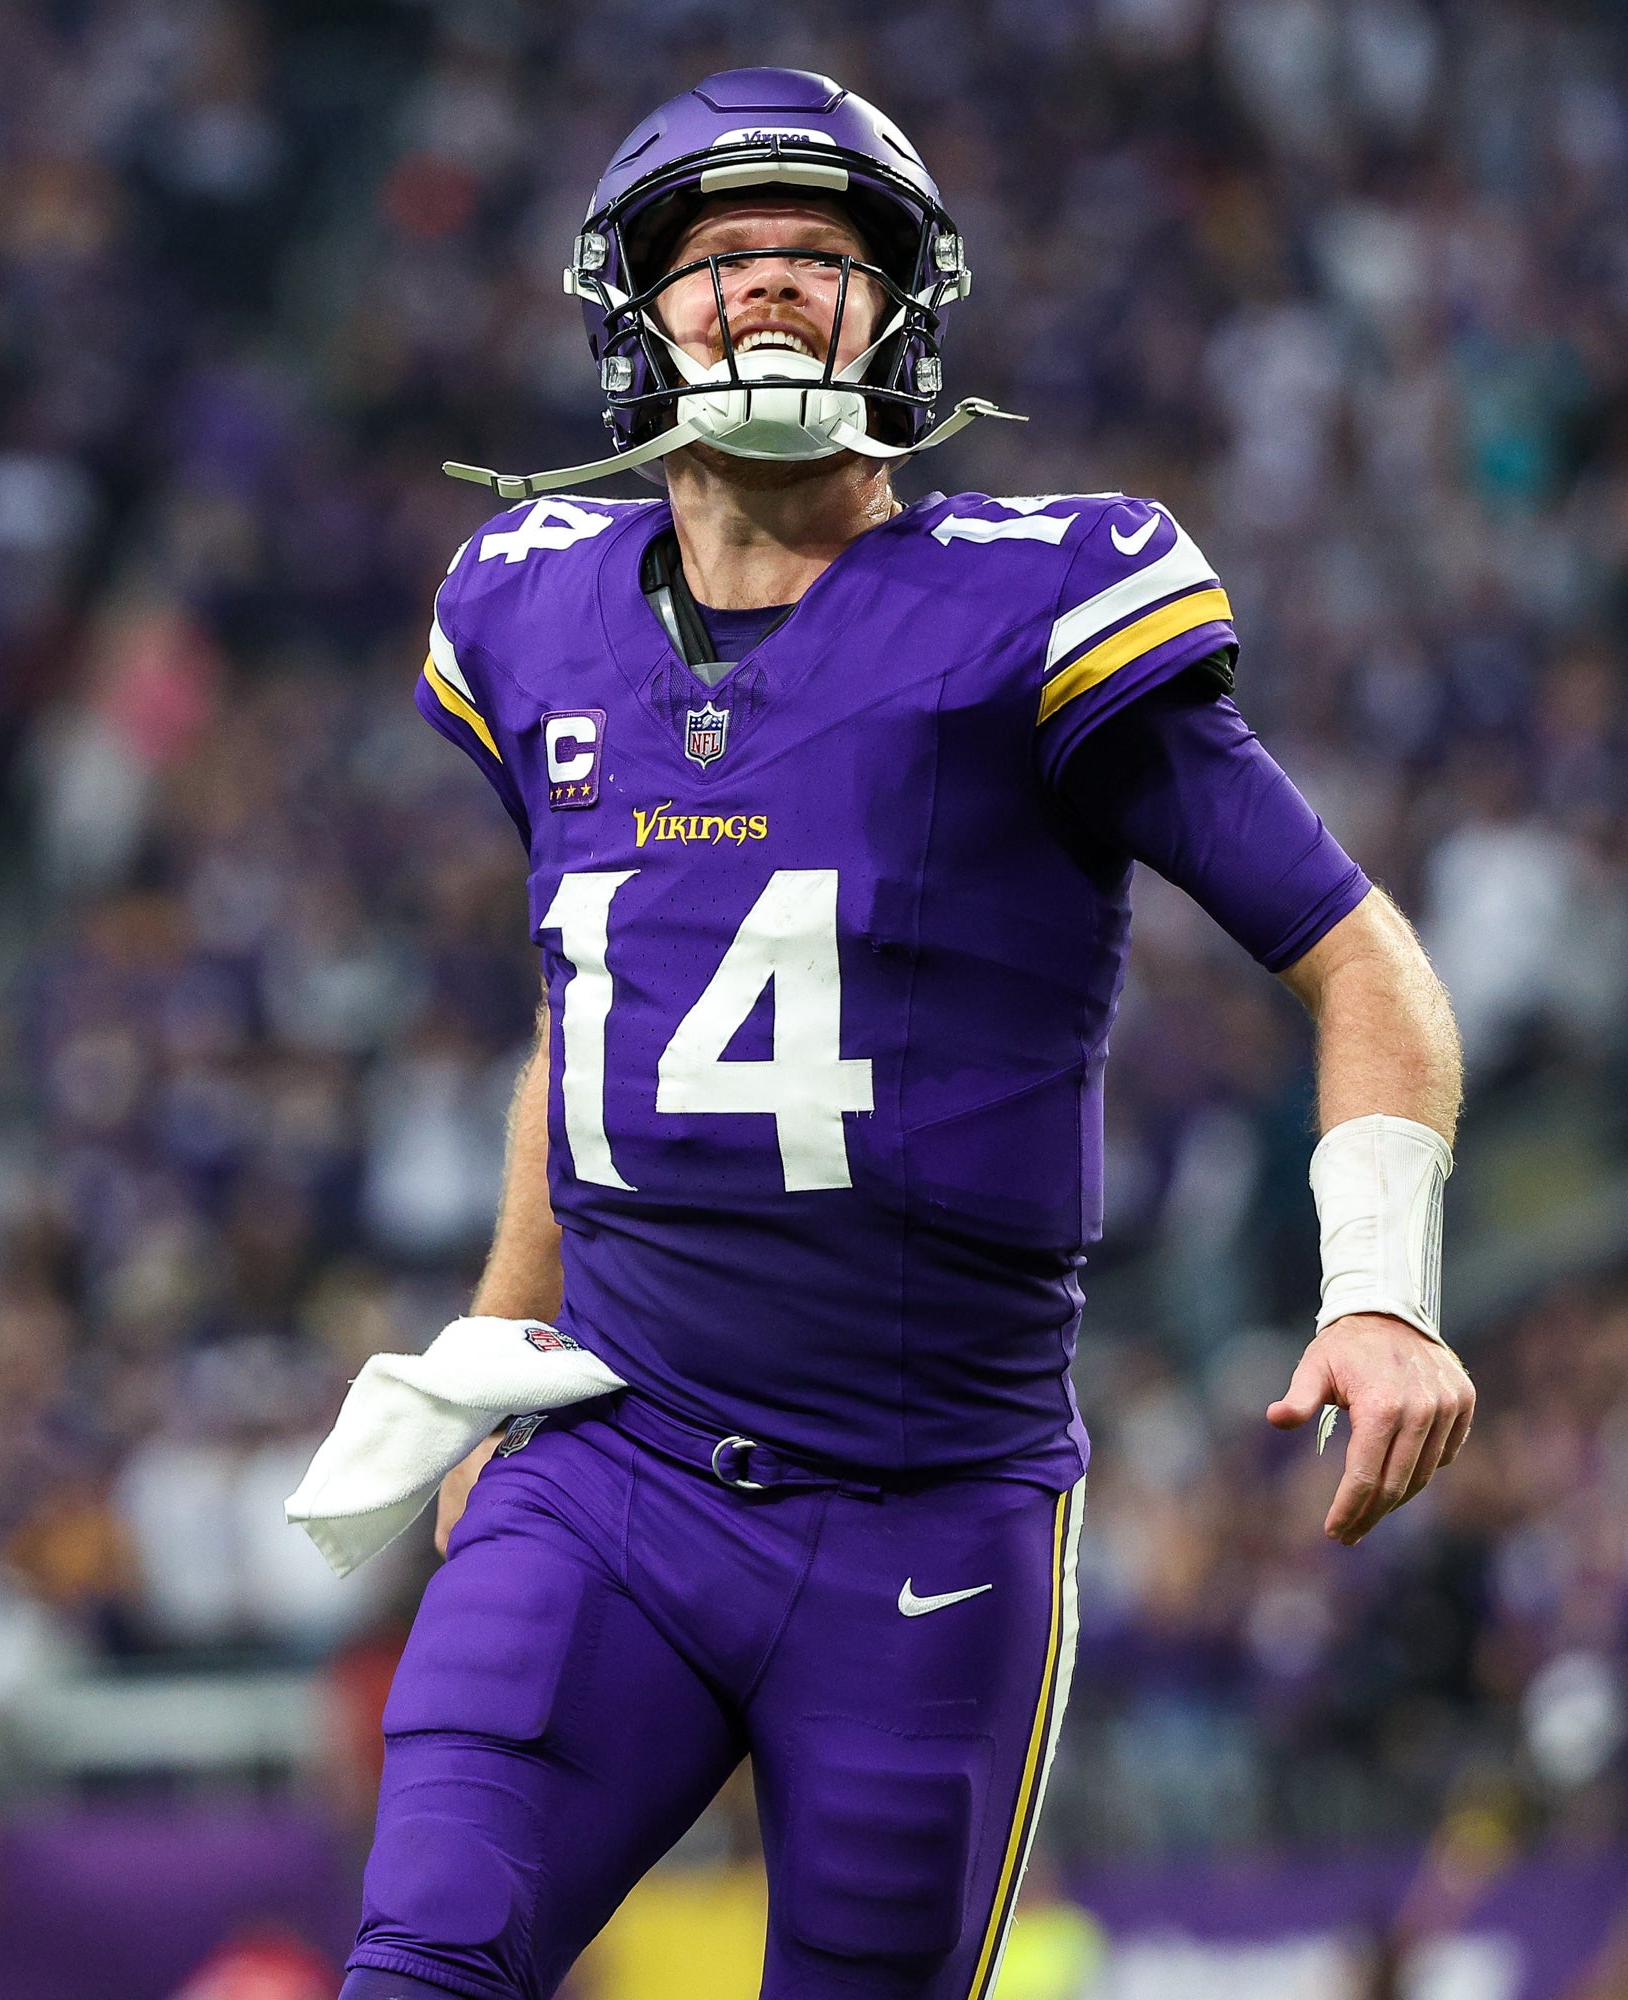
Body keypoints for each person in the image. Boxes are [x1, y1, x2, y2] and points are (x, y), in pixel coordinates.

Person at [314, 71, 1472, 2000]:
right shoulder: (528, 611)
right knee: (420, 1969)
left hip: (925, 1509)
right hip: (615, 1464)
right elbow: (593, 1004)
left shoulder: (1035, 604)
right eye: (721, 259)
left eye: (821, 259)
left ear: (903, 311)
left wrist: (1382, 1286)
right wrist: (502, 1339)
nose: (768, 295)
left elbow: (1363, 966)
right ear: (632, 314)